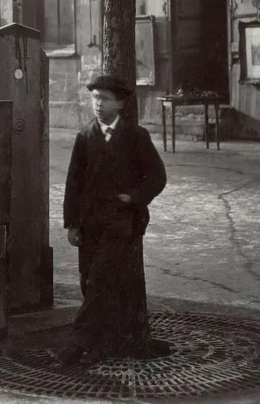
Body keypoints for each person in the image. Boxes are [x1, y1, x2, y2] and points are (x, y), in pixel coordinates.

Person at [60, 74, 168, 365]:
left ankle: (77, 343)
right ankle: (101, 345)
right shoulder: (85, 137)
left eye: (105, 99)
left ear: (119, 103)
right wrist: (72, 224)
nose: (98, 104)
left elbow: (157, 176)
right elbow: (73, 183)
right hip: (90, 222)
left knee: (99, 281)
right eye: (94, 97)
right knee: (88, 282)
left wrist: (133, 197)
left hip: (120, 223)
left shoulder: (135, 137)